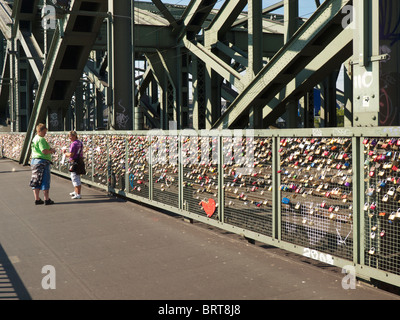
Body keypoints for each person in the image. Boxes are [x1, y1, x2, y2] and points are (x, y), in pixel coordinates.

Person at [30, 123, 56, 205]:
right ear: (39, 131)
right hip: (42, 162)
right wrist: (51, 151)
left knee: (36, 180)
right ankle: (46, 199)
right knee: (45, 180)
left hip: (34, 161)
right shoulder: (41, 139)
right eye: (44, 132)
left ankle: (37, 199)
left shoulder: (35, 138)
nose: (45, 134)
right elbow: (44, 151)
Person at [63, 131, 84, 199]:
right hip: (79, 161)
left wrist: (65, 153)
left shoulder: (73, 144)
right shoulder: (80, 143)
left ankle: (78, 194)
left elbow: (71, 154)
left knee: (75, 178)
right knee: (76, 177)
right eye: (69, 136)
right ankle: (76, 191)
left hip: (74, 161)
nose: (70, 137)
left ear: (75, 136)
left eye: (71, 136)